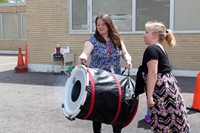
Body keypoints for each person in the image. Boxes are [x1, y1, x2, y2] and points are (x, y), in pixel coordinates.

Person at [78, 13, 132, 133]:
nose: (100, 27)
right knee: (97, 111)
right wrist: (83, 58)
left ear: (109, 25)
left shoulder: (117, 39)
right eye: (98, 24)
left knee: (116, 109)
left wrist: (128, 60)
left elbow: (125, 53)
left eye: (103, 24)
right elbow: (85, 53)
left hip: (116, 82)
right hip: (98, 82)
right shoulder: (92, 40)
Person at [142, 21, 190, 132]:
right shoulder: (160, 48)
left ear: (155, 35)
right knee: (175, 124)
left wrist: (149, 97)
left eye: (146, 32)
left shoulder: (151, 49)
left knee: (163, 125)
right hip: (170, 91)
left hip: (161, 94)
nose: (144, 35)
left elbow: (153, 74)